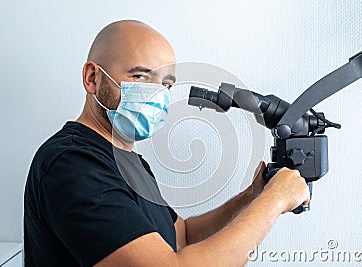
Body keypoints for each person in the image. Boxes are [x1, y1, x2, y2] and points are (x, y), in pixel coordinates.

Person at [24, 20, 309, 267]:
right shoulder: (73, 164)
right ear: (92, 78)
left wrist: (252, 197)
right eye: (140, 76)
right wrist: (275, 201)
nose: (157, 93)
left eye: (166, 84)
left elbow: (180, 236)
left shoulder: (131, 162)